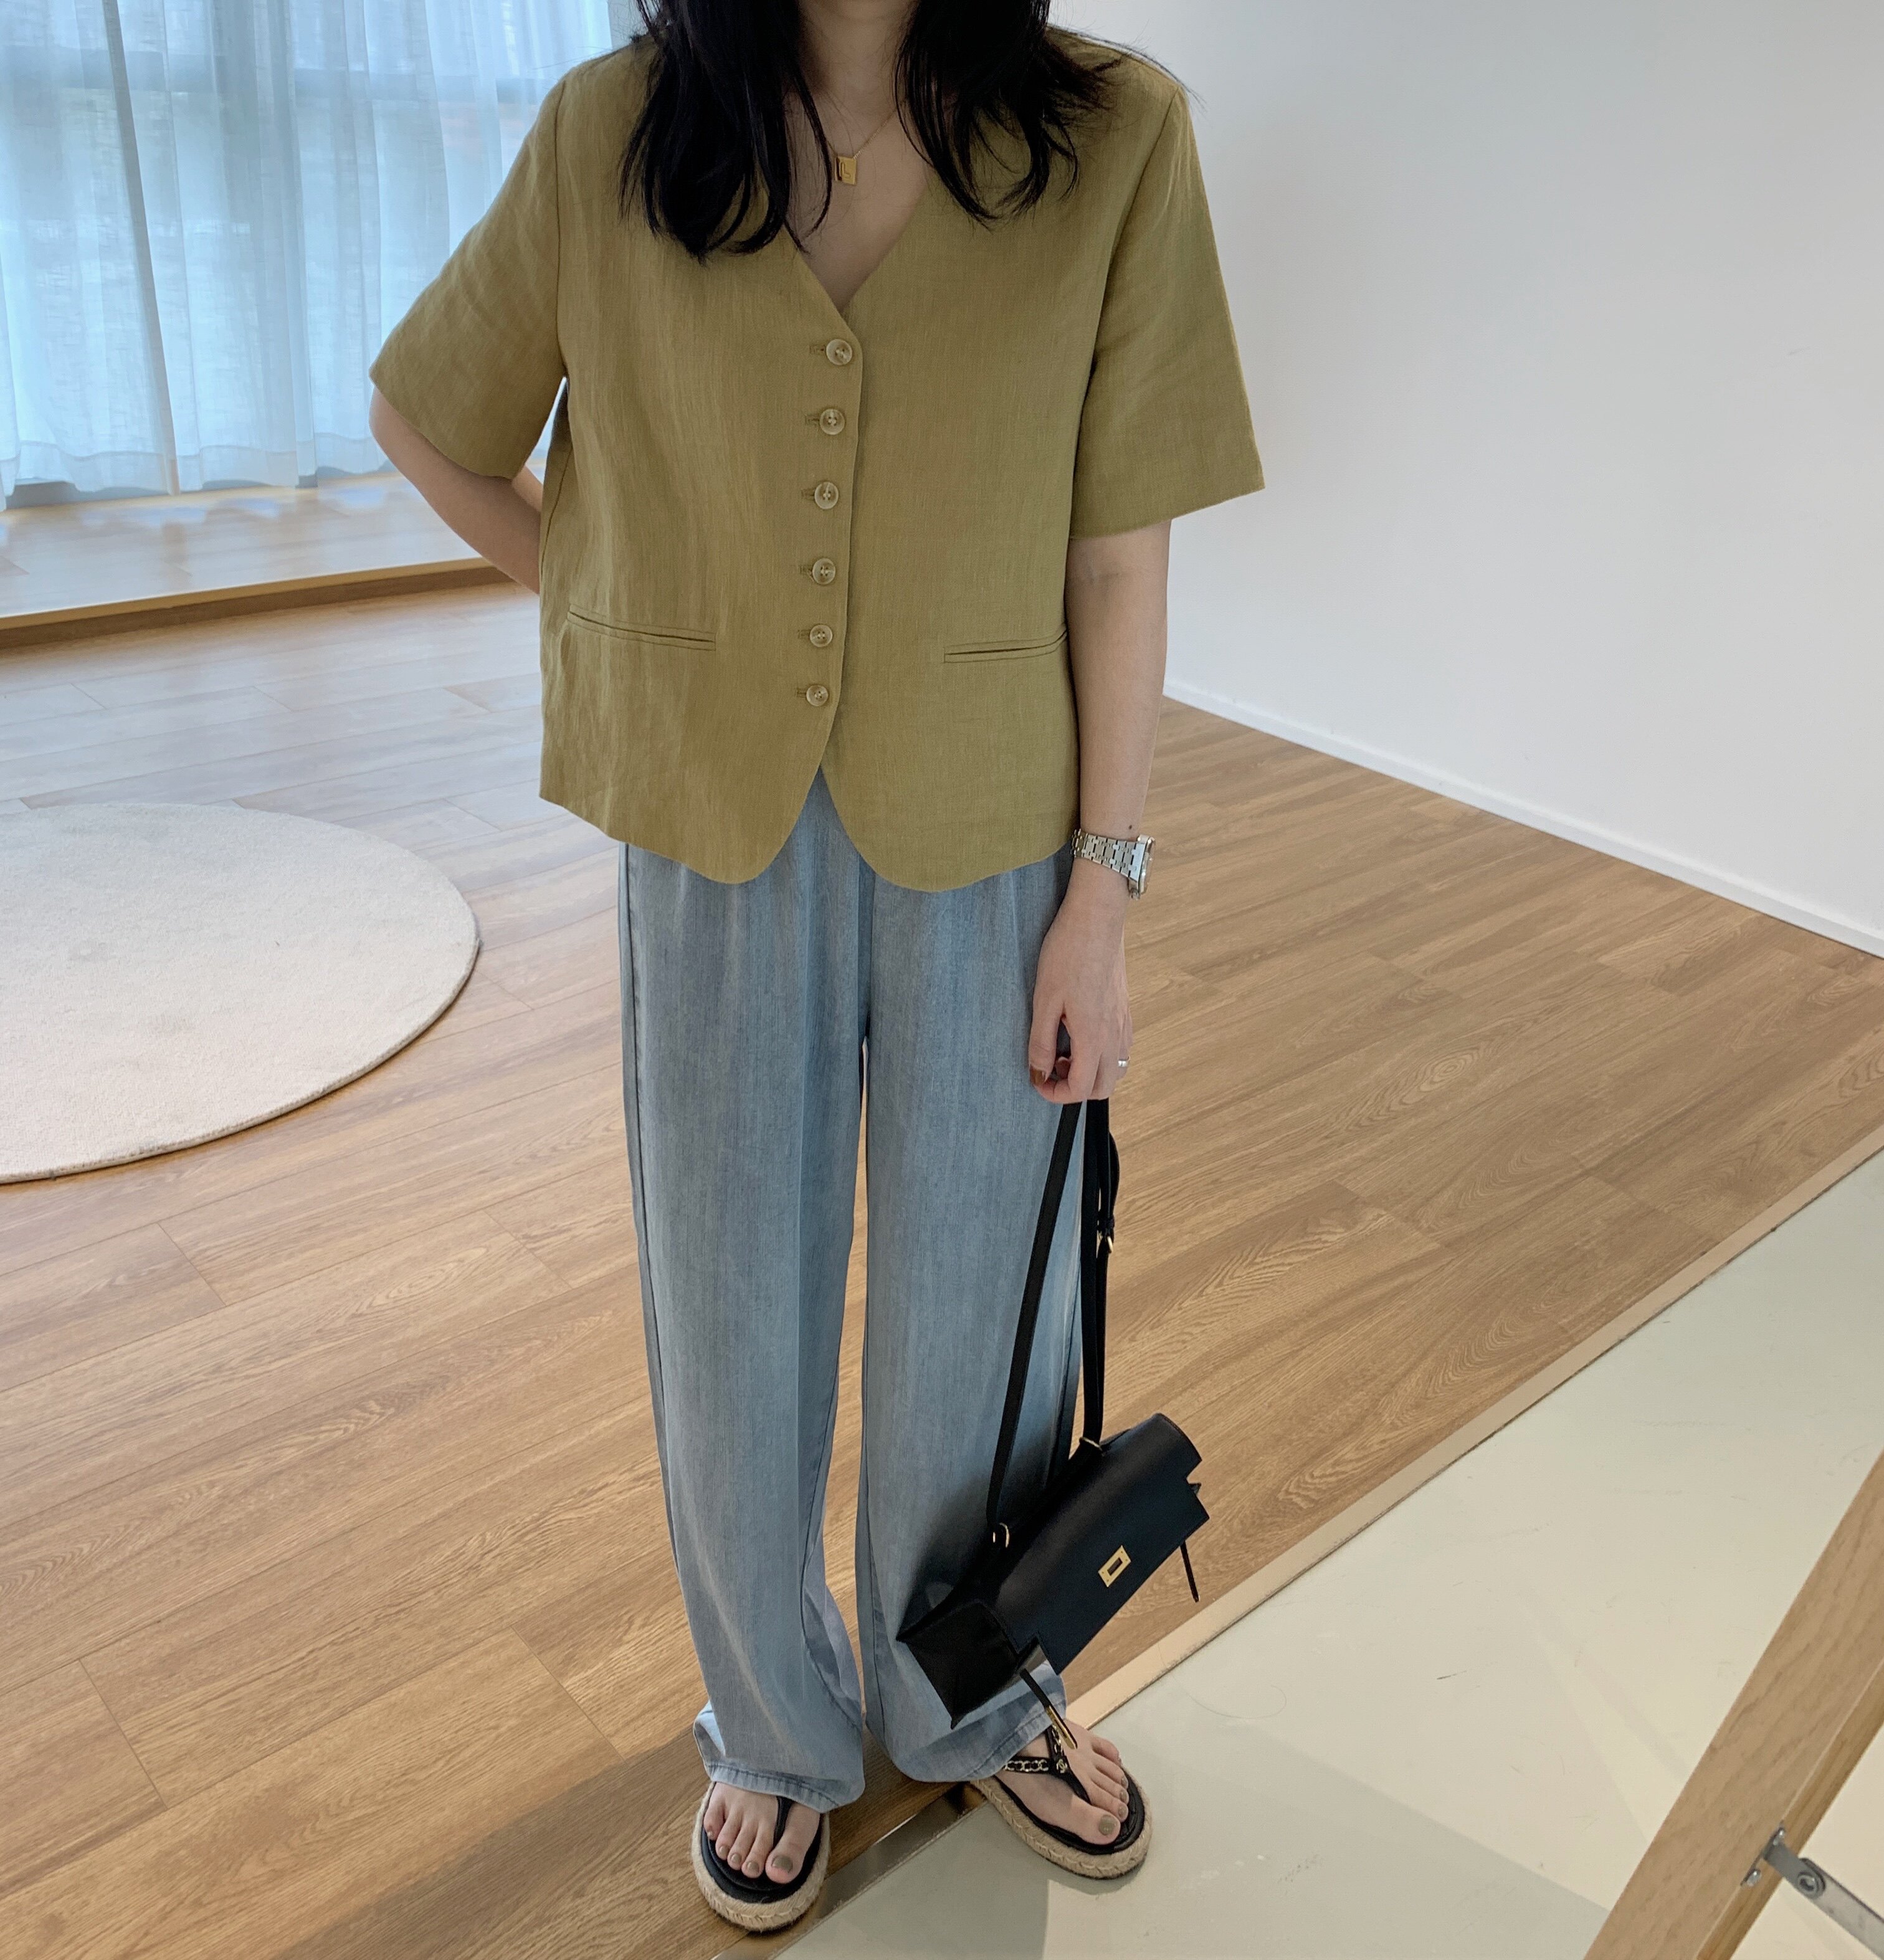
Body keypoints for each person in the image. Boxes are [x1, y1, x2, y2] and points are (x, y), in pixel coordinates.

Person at [368, 0, 1259, 1931]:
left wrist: (1105, 894)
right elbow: (430, 423)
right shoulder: (614, 130)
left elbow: (1120, 553)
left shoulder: (1120, 140)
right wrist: (622, 607)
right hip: (715, 839)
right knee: (729, 1313)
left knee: (984, 1314)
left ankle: (971, 1691)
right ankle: (771, 1725)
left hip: (999, 836)